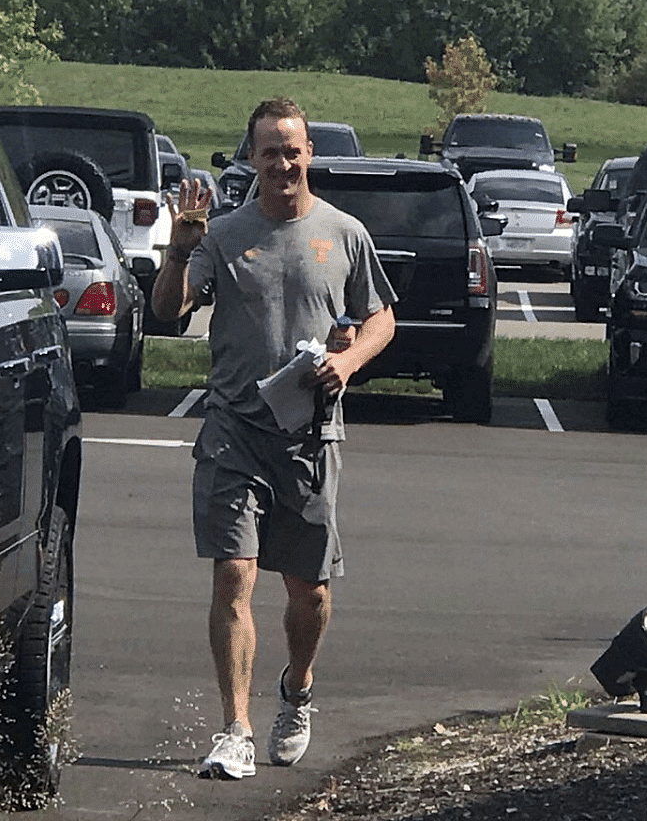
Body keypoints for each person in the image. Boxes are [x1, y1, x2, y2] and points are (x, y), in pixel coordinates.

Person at [151, 96, 397, 780]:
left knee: (308, 593)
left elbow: (381, 319)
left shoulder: (344, 233)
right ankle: (235, 727)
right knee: (233, 576)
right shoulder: (225, 235)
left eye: (292, 150)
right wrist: (179, 251)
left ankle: (298, 688)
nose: (282, 162)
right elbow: (168, 313)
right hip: (234, 432)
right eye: (269, 152)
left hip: (310, 440)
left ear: (309, 154)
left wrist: (347, 362)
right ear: (252, 159)